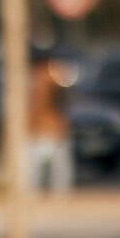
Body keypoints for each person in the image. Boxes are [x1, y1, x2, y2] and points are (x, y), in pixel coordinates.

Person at [27, 47, 75, 196]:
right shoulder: (52, 76)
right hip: (49, 127)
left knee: (40, 166)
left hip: (46, 127)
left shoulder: (45, 78)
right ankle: (57, 192)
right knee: (54, 167)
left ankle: (41, 192)